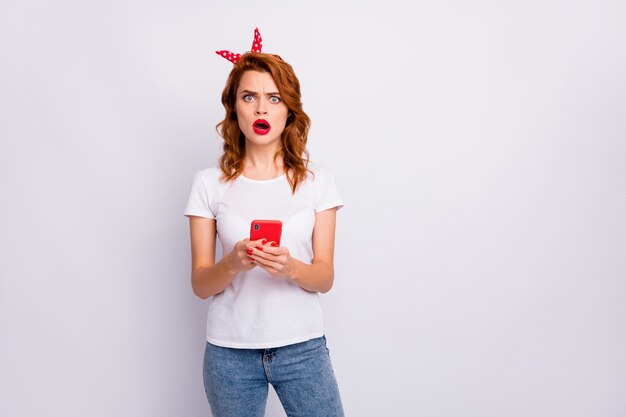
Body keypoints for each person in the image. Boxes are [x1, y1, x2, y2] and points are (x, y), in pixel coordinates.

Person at [184, 28, 345, 417]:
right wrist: (233, 264)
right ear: (234, 107)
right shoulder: (208, 183)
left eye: (273, 98)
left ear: (288, 109)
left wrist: (290, 267)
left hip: (302, 348)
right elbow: (200, 284)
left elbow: (324, 277)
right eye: (249, 96)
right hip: (229, 354)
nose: (260, 109)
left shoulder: (316, 181)